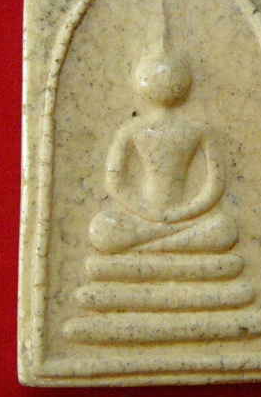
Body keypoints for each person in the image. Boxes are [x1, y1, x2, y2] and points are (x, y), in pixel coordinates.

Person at [89, 48, 237, 253]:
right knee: (101, 227)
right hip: (145, 219)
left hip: (186, 219)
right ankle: (172, 241)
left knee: (224, 228)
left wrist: (181, 214)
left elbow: (215, 185)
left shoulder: (199, 130)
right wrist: (150, 214)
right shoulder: (131, 130)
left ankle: (149, 246)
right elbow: (115, 183)